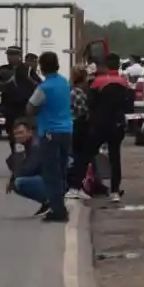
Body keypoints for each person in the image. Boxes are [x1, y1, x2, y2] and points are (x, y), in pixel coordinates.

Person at [26, 51, 73, 223]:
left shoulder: (44, 87)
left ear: (42, 68)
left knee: (51, 173)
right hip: (66, 131)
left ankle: (58, 210)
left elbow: (30, 108)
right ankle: (61, 205)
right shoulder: (64, 82)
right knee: (61, 171)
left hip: (50, 133)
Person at [88, 53, 133, 202]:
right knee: (115, 158)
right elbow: (129, 105)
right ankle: (114, 192)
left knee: (87, 154)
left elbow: (90, 103)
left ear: (105, 66)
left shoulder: (97, 81)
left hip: (100, 124)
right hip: (117, 125)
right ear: (119, 66)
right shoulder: (124, 82)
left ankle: (80, 186)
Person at [0, 45, 40, 154]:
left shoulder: (27, 69)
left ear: (20, 56)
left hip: (25, 110)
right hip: (10, 110)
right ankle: (17, 163)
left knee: (26, 139)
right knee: (13, 139)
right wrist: (6, 83)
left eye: (13, 55)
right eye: (9, 55)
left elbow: (39, 86)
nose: (10, 58)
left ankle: (27, 163)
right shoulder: (3, 69)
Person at [4, 118, 49, 216]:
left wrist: (13, 177)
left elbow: (30, 168)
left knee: (19, 182)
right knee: (14, 165)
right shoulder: (29, 144)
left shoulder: (36, 145)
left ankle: (51, 201)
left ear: (30, 132)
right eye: (16, 134)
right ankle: (47, 203)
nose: (18, 136)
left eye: (21, 132)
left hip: (54, 180)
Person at [66, 67, 92, 199]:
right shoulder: (77, 92)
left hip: (70, 127)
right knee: (80, 158)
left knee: (75, 158)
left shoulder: (69, 90)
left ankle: (76, 186)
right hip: (77, 127)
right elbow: (83, 111)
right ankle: (74, 187)